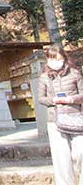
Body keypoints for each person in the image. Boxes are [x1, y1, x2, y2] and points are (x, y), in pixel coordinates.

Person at [38, 44, 83, 185]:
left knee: (80, 152)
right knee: (61, 158)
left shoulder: (75, 73)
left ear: (64, 57)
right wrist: (53, 100)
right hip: (55, 119)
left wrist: (72, 99)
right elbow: (40, 98)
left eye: (57, 58)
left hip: (76, 116)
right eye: (51, 58)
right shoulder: (44, 77)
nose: (55, 61)